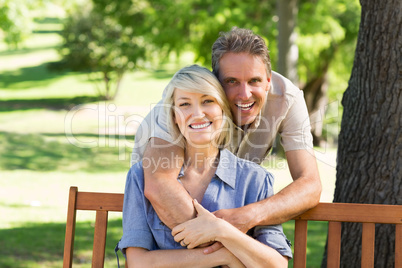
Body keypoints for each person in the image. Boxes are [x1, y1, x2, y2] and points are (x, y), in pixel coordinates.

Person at [132, 27, 321, 252]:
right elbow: (160, 184)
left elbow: (310, 185)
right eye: (231, 81)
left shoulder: (287, 99)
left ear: (268, 81)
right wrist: (225, 246)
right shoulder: (182, 104)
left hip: (233, 224)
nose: (244, 94)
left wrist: (247, 216)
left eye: (254, 81)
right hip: (167, 233)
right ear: (215, 83)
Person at [118, 65, 292, 267]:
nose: (198, 113)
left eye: (207, 101)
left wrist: (222, 230)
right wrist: (223, 255)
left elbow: (277, 264)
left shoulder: (255, 179)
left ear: (223, 110)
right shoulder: (141, 175)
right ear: (174, 116)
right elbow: (138, 263)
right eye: (184, 105)